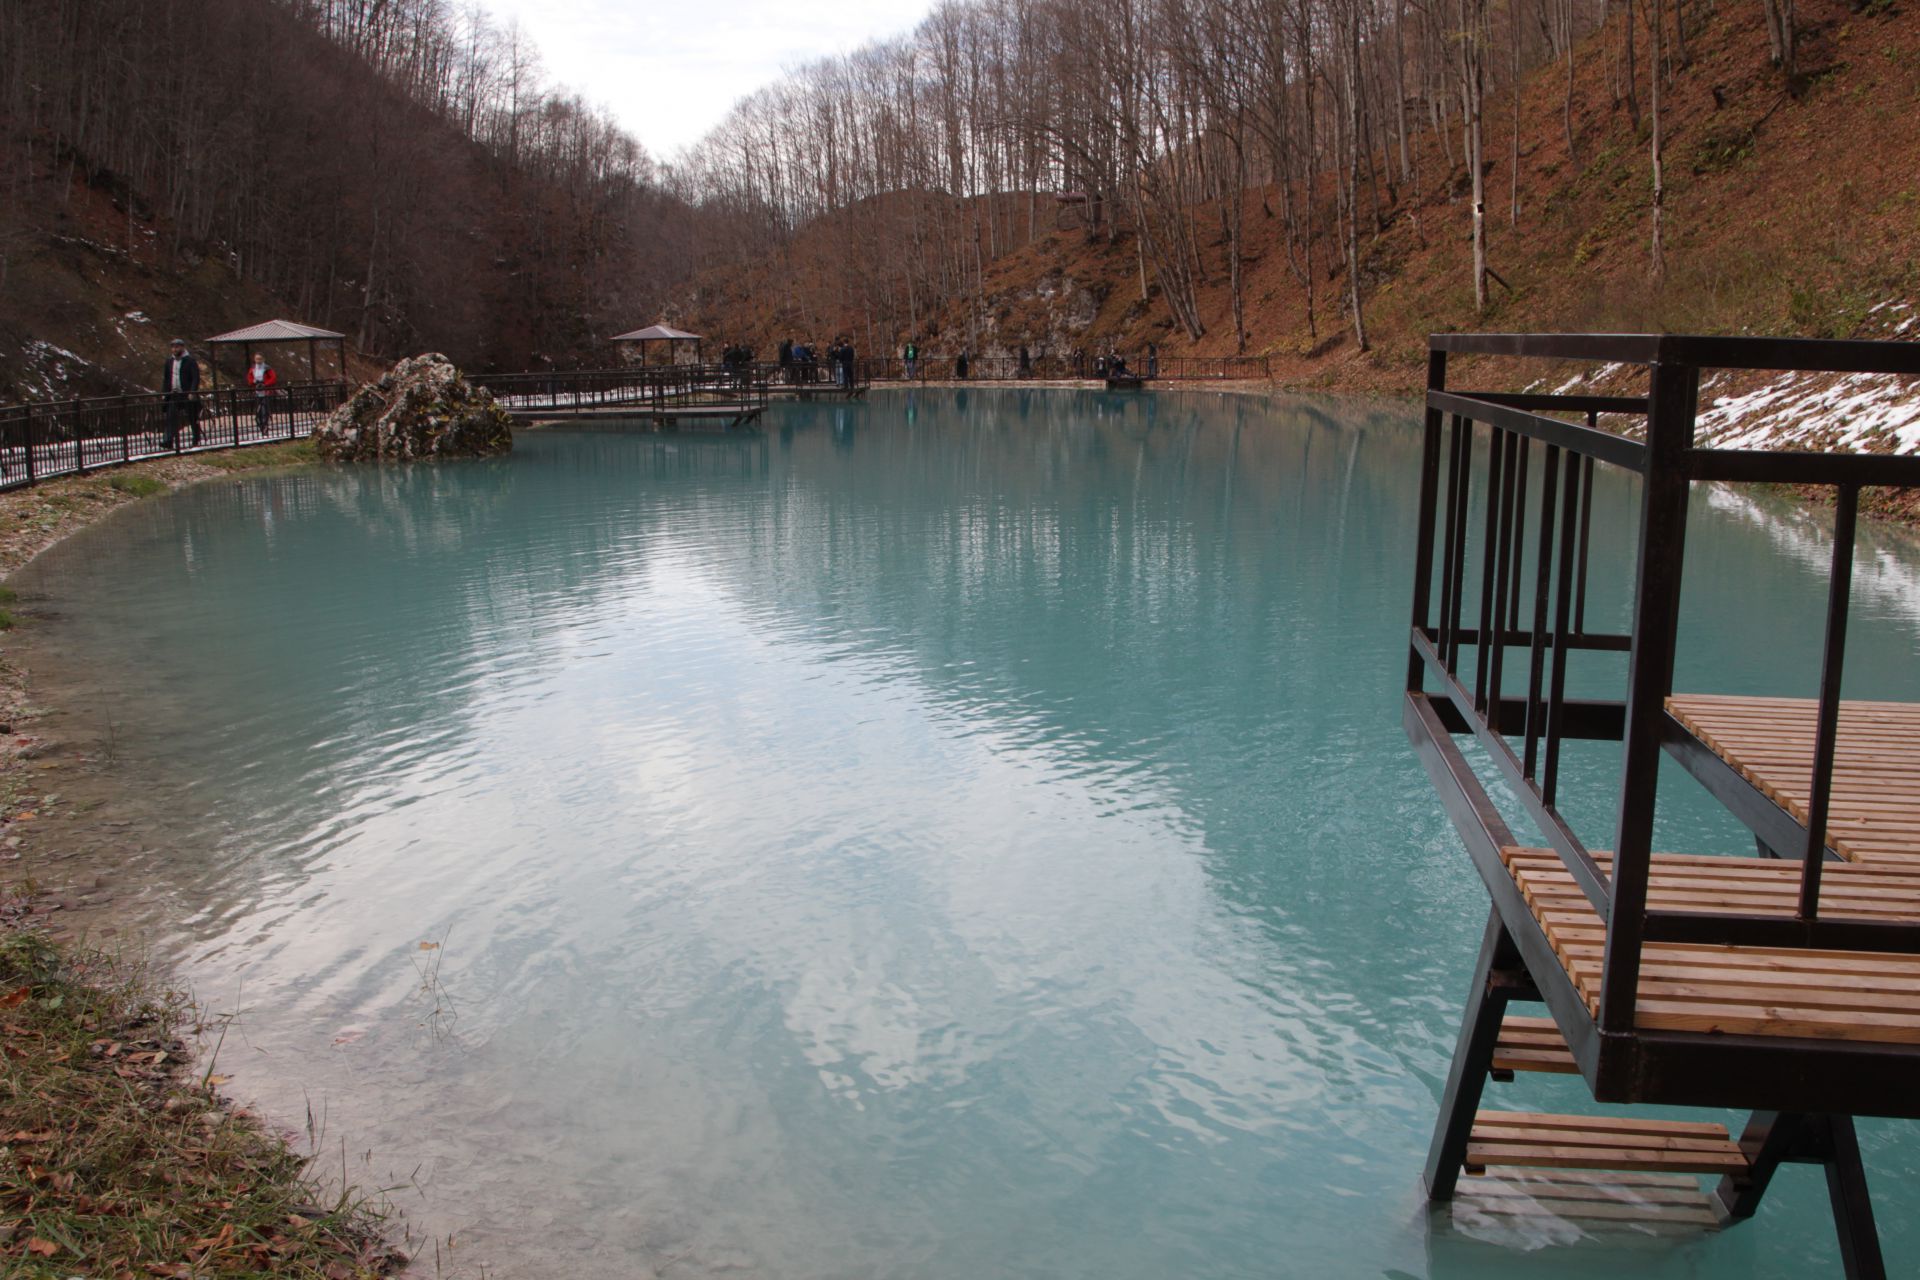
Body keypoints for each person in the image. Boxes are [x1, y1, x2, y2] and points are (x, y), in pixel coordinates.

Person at [160, 338, 201, 449]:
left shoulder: (190, 361)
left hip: (186, 393)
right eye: (173, 347)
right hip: (174, 393)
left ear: (182, 347)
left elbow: (195, 377)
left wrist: (192, 391)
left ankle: (196, 438)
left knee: (192, 416)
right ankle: (168, 440)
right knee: (171, 416)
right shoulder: (169, 361)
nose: (174, 349)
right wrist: (164, 392)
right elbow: (166, 378)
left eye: (177, 347)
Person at [246, 353, 278, 433]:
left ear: (263, 359)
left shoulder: (267, 368)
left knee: (264, 410)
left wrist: (265, 384)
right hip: (257, 391)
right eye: (257, 359)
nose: (258, 361)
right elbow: (249, 377)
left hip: (266, 391)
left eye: (260, 359)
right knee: (258, 410)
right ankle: (261, 425)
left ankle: (265, 425)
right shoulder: (253, 368)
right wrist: (253, 382)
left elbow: (273, 378)